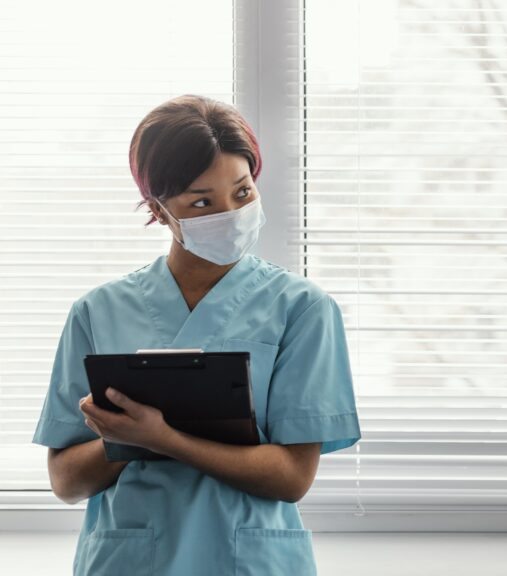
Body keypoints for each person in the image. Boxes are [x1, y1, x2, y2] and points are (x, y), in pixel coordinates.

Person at [31, 94, 361, 576]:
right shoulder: (97, 312)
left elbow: (292, 477)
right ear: (159, 208)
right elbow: (66, 482)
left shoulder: (302, 309)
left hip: (248, 560)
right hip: (130, 559)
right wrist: (119, 439)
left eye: (243, 192)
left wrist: (160, 438)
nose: (230, 213)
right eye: (202, 202)